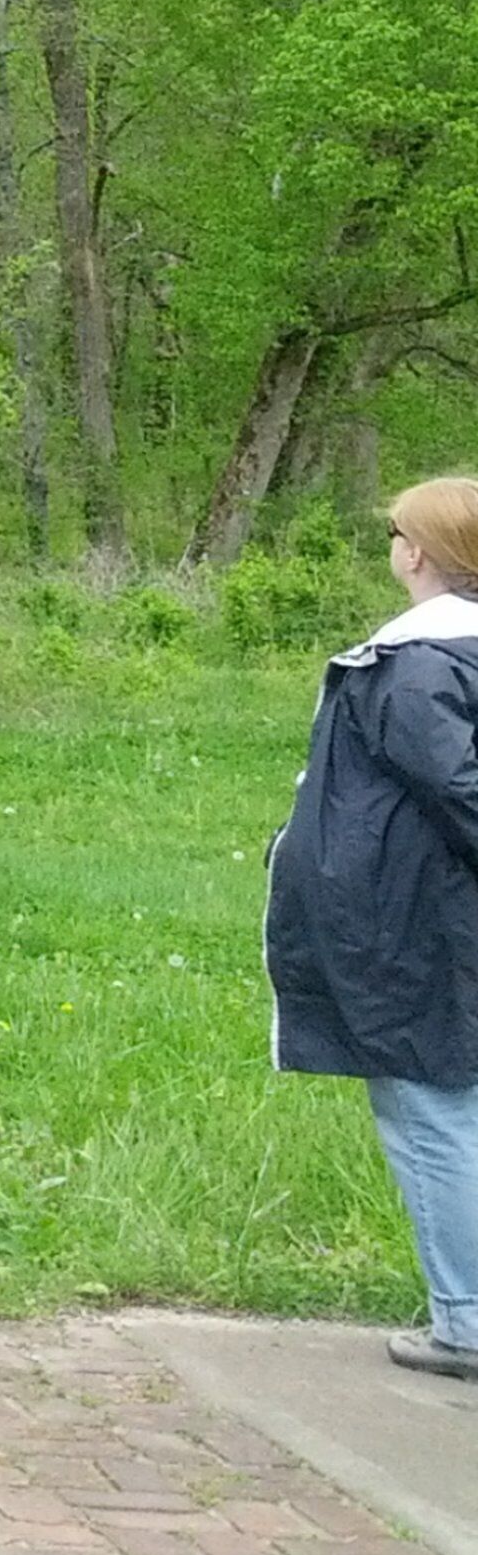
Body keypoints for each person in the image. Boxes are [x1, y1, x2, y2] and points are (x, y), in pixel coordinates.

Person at [266, 475, 478, 1382]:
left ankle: (465, 1320)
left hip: (415, 923)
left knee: (432, 1111)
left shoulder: (416, 665)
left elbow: (458, 788)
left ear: (418, 551)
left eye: (395, 530)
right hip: (441, 915)